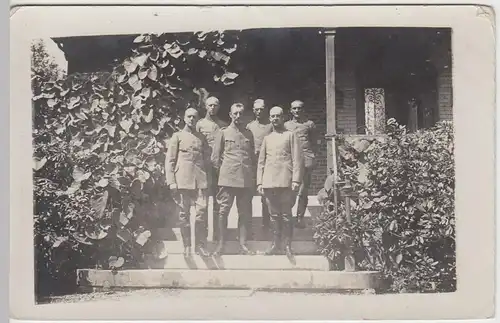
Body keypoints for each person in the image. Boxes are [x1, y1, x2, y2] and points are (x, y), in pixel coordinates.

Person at [165, 108, 211, 257]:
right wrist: (171, 182)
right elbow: (170, 161)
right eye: (189, 116)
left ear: (198, 119)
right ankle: (186, 247)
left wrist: (207, 180)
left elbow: (206, 160)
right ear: (184, 118)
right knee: (183, 214)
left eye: (194, 117)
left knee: (201, 213)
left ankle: (199, 245)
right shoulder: (177, 136)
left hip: (200, 180)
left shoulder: (201, 138)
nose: (191, 119)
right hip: (182, 180)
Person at [257, 106, 303, 256]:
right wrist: (259, 182)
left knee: (286, 215)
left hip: (286, 181)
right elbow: (261, 162)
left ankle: (287, 245)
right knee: (273, 215)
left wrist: (296, 180)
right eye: (272, 116)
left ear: (283, 118)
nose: (275, 119)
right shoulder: (267, 138)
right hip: (269, 182)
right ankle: (275, 245)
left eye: (278, 116)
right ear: (269, 119)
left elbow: (297, 160)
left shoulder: (291, 136)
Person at [211, 103, 256, 256]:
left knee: (244, 212)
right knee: (223, 211)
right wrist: (225, 173)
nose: (238, 116)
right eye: (235, 113)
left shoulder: (249, 134)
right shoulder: (223, 133)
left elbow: (251, 157)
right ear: (230, 115)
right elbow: (215, 159)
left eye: (241, 113)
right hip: (227, 179)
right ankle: (221, 244)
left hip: (245, 179)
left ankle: (243, 244)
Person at [196, 96, 228, 242]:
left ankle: (216, 234)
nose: (212, 108)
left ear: (219, 107)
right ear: (205, 107)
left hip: (219, 169)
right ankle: (203, 235)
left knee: (218, 202)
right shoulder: (200, 124)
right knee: (202, 203)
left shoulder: (223, 125)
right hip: (204, 168)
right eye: (210, 105)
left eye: (215, 105)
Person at [284, 100, 318, 229]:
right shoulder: (286, 125)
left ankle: (299, 218)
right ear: (291, 110)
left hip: (305, 160)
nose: (297, 111)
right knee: (289, 190)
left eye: (299, 108)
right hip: (291, 161)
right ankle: (287, 217)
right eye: (294, 108)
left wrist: (310, 156)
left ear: (303, 110)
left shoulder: (309, 124)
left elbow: (314, 142)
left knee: (303, 191)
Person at [246, 99, 273, 231]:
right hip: (252, 164)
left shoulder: (270, 126)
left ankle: (266, 224)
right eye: (256, 109)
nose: (259, 112)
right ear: (253, 110)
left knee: (265, 196)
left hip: (267, 165)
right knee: (248, 195)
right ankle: (249, 225)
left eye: (261, 109)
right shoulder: (250, 126)